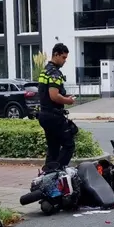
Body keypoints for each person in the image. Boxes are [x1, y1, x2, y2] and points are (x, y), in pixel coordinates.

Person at [37, 43, 77, 171]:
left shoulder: (45, 70)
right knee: (69, 145)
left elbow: (48, 94)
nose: (65, 61)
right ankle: (57, 171)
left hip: (45, 114)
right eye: (63, 57)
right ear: (56, 55)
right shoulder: (54, 73)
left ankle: (47, 175)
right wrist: (67, 100)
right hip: (54, 116)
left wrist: (64, 96)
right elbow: (54, 96)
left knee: (53, 148)